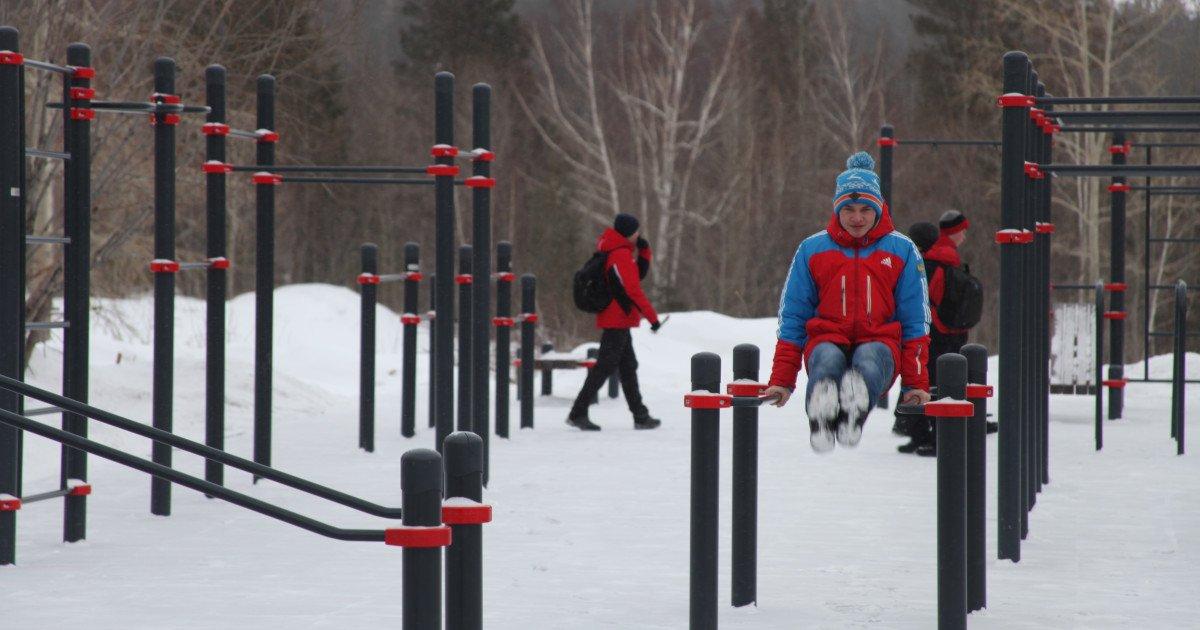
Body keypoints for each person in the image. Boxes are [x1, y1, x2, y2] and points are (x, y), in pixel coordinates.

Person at [762, 152, 932, 452]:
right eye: (849, 209)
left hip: (881, 343)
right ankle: (822, 416)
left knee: (868, 359)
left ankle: (854, 412)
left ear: (879, 209)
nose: (857, 218)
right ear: (837, 210)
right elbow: (793, 319)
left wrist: (914, 383)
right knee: (827, 358)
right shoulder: (813, 250)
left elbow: (915, 321)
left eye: (866, 209)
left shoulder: (901, 250)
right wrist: (782, 380)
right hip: (827, 337)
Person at [896, 210, 991, 455]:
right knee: (940, 382)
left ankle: (929, 437)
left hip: (932, 331)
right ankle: (930, 435)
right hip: (949, 331)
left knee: (925, 380)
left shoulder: (928, 265)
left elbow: (922, 299)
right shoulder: (948, 259)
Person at [566, 213, 663, 431]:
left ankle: (640, 415)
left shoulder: (619, 251)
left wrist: (644, 251)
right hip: (616, 318)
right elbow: (633, 289)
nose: (639, 234)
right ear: (628, 232)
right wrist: (653, 318)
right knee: (605, 367)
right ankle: (577, 412)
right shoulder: (619, 254)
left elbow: (635, 276)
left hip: (620, 319)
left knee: (628, 366)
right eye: (636, 230)